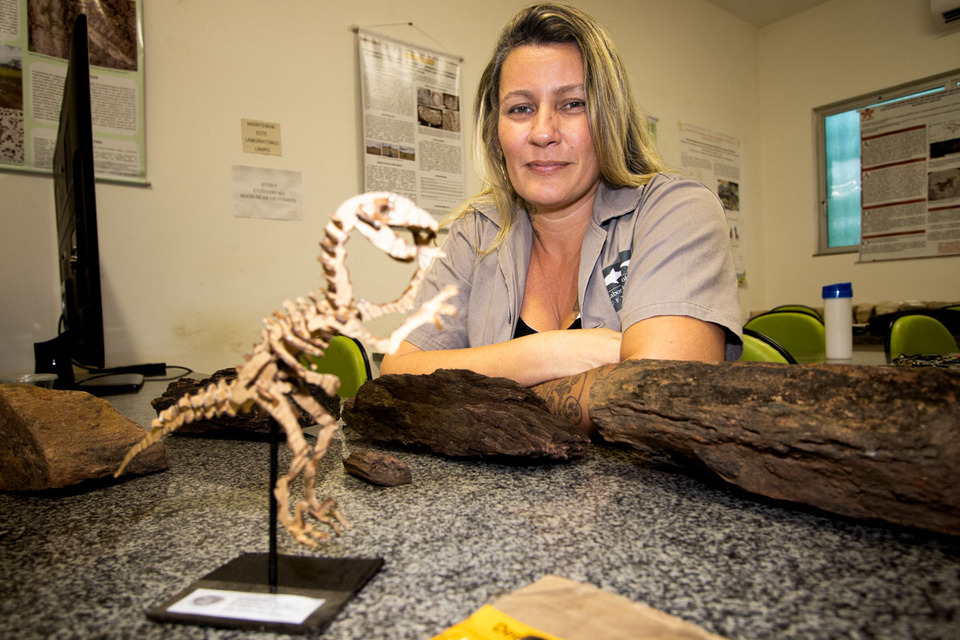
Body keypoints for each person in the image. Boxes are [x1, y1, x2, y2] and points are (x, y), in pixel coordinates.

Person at [381, 3, 742, 435]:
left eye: (572, 104)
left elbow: (657, 401)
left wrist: (474, 393)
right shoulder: (477, 232)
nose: (543, 132)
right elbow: (397, 377)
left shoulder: (676, 211)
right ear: (497, 132)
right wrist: (550, 353)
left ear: (610, 117)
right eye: (520, 109)